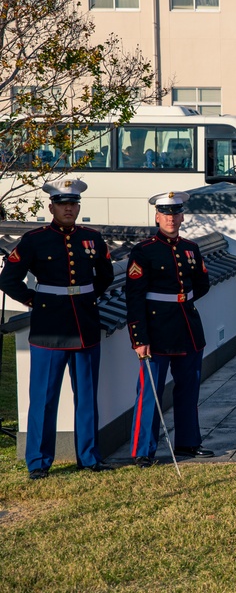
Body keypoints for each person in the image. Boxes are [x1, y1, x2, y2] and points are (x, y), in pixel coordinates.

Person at [0, 179, 115, 479]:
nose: (68, 208)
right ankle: (38, 462)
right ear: (51, 207)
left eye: (73, 204)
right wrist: (34, 300)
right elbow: (8, 278)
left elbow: (105, 276)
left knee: (87, 397)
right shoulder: (34, 240)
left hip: (85, 325)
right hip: (49, 328)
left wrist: (88, 297)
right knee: (44, 398)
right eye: (63, 204)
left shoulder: (92, 238)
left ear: (78, 207)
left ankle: (89, 458)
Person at [126, 191, 214, 467]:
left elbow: (201, 284)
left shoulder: (191, 247)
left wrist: (181, 302)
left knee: (188, 390)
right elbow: (134, 296)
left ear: (183, 216)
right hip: (155, 330)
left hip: (187, 327)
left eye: (176, 213)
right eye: (166, 213)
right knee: (150, 393)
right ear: (157, 217)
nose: (171, 219)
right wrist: (139, 338)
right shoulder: (143, 250)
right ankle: (143, 450)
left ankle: (188, 442)